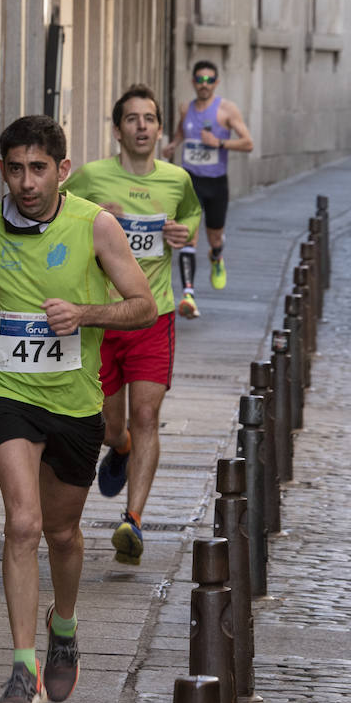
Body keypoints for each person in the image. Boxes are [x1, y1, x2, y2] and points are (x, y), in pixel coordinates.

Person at [0, 115, 157, 703]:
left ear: (62, 170)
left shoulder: (95, 225)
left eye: (38, 168)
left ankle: (63, 625)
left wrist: (85, 314)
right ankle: (22, 666)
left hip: (74, 403)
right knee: (22, 523)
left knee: (63, 534)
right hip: (7, 392)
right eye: (14, 168)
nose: (25, 181)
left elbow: (142, 306)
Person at [62, 85, 201, 565]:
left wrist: (185, 234)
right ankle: (117, 447)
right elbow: (56, 215)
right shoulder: (92, 177)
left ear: (160, 129)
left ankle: (133, 522)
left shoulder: (177, 179)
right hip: (101, 320)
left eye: (150, 118)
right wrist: (96, 220)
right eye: (132, 119)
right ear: (117, 129)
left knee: (146, 416)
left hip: (153, 315)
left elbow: (191, 215)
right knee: (109, 425)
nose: (141, 126)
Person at [162, 61, 254, 318]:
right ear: (193, 82)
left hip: (216, 183)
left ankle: (216, 256)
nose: (204, 85)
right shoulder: (186, 108)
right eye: (199, 80)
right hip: (190, 182)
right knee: (188, 235)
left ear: (216, 83)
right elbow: (183, 131)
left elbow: (248, 143)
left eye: (209, 81)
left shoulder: (226, 110)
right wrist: (173, 145)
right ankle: (188, 295)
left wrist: (220, 143)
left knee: (215, 237)